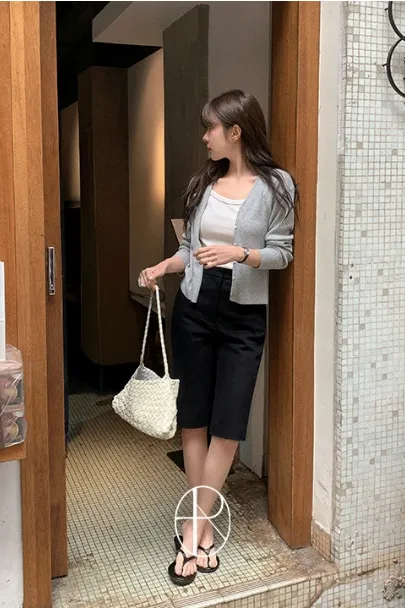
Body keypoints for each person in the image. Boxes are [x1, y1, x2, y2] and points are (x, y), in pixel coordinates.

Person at [138, 89, 297, 586]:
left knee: (227, 423)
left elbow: (282, 254)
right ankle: (200, 531)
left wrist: (238, 254)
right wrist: (164, 266)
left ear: (235, 131)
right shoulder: (205, 183)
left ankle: (192, 529)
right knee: (195, 418)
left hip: (243, 313)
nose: (205, 136)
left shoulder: (277, 185)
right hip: (195, 305)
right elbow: (189, 248)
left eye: (211, 127)